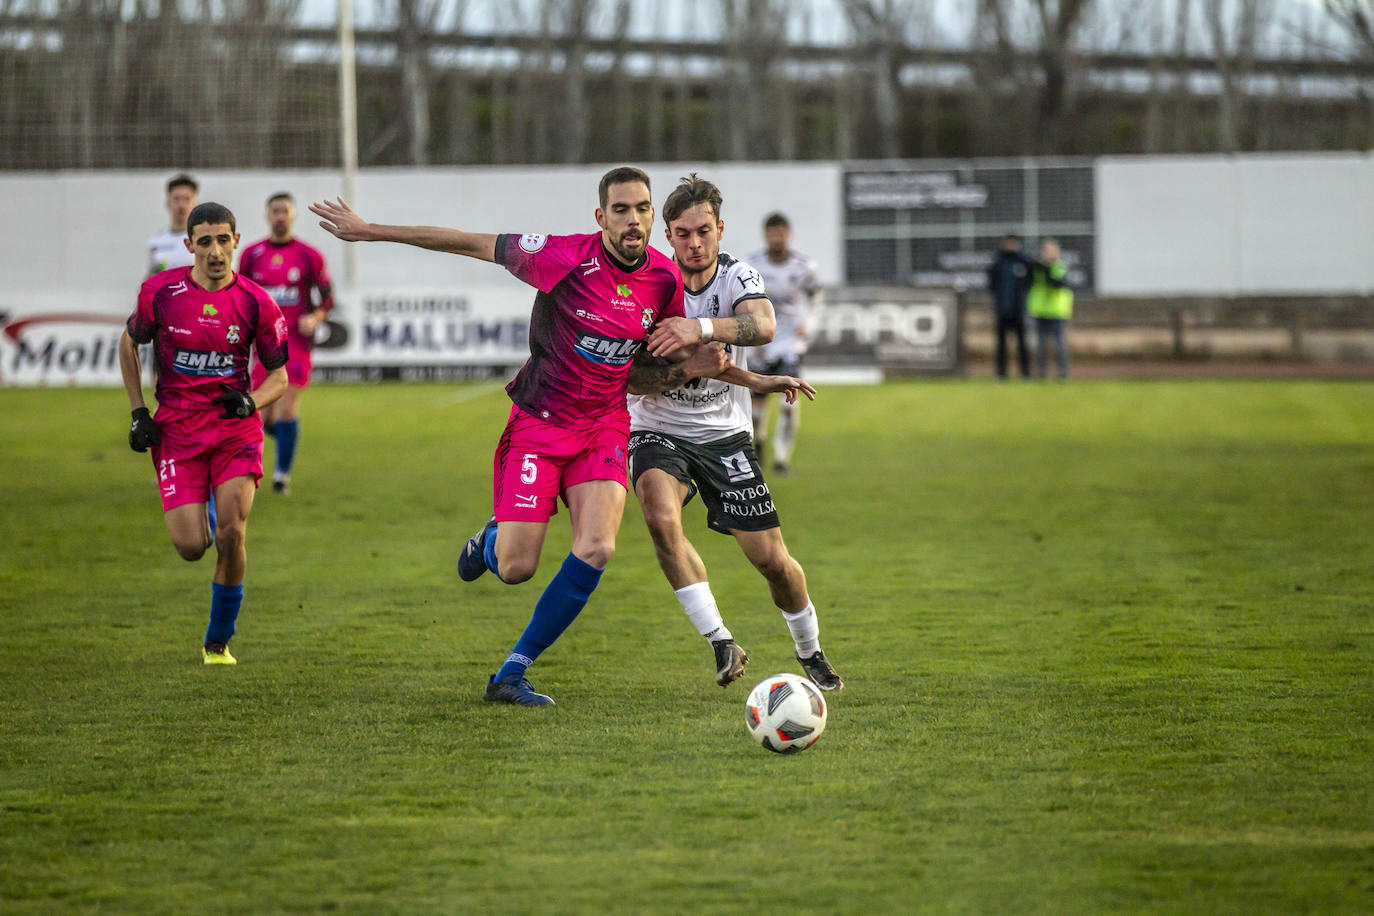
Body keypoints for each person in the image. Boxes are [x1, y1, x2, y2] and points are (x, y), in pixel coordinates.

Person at [309, 167, 724, 707]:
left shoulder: (665, 281)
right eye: (620, 209)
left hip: (604, 425)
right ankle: (490, 542)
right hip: (541, 423)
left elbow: (649, 368)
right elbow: (470, 243)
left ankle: (511, 672)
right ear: (601, 217)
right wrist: (371, 231)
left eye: (642, 208)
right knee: (516, 568)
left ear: (653, 216)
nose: (633, 219)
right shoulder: (561, 256)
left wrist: (712, 368)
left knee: (597, 546)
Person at [628, 174, 843, 692]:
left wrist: (701, 331)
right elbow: (633, 377)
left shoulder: (737, 277)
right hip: (657, 427)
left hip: (724, 434)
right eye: (682, 233)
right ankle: (721, 641)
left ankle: (810, 649)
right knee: (660, 517)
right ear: (668, 236)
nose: (694, 242)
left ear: (720, 230)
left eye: (704, 230)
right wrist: (691, 363)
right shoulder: (650, 284)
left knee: (772, 561)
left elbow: (763, 326)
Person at [119, 202, 289, 665]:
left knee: (233, 536)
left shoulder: (257, 301)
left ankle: (218, 641)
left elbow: (279, 376)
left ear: (236, 242)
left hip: (235, 430)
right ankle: (208, 510)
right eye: (205, 241)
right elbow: (129, 342)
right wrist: (138, 412)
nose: (215, 251)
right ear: (189, 245)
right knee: (192, 547)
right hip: (176, 431)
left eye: (223, 240)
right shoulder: (160, 293)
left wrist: (252, 400)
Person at [240, 192, 335, 495]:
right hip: (263, 345)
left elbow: (328, 296)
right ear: (268, 215)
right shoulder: (251, 255)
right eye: (275, 211)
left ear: (293, 216)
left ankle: (281, 475)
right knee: (264, 413)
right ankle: (283, 437)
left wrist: (317, 316)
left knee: (287, 406)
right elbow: (239, 295)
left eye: (285, 211)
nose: (280, 216)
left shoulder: (310, 255)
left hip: (296, 343)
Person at [746, 212, 822, 476]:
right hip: (763, 340)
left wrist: (808, 324)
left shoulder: (803, 266)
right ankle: (759, 441)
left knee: (791, 401)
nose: (776, 238)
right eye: (772, 233)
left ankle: (781, 456)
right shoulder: (752, 265)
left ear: (788, 235)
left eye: (781, 233)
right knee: (757, 405)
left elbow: (816, 298)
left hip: (790, 340)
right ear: (765, 236)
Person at [986, 233, 1032, 380]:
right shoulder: (998, 262)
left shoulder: (1023, 262)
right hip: (1002, 309)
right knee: (1001, 343)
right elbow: (991, 284)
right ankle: (1001, 374)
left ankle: (1025, 373)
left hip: (1019, 310)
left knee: (1022, 343)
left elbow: (1029, 282)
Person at [1027, 238, 1074, 379]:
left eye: (1051, 251)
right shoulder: (1037, 267)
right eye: (1046, 251)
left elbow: (1057, 283)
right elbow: (1028, 279)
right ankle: (1042, 373)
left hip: (1057, 311)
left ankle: (1063, 374)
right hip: (1040, 310)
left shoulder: (1060, 266)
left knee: (1059, 345)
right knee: (1040, 345)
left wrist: (1048, 268)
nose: (1049, 254)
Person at [147, 174, 199, 277]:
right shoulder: (156, 242)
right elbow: (151, 277)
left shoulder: (202, 240)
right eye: (176, 199)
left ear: (195, 203)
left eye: (186, 199)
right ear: (168, 203)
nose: (181, 205)